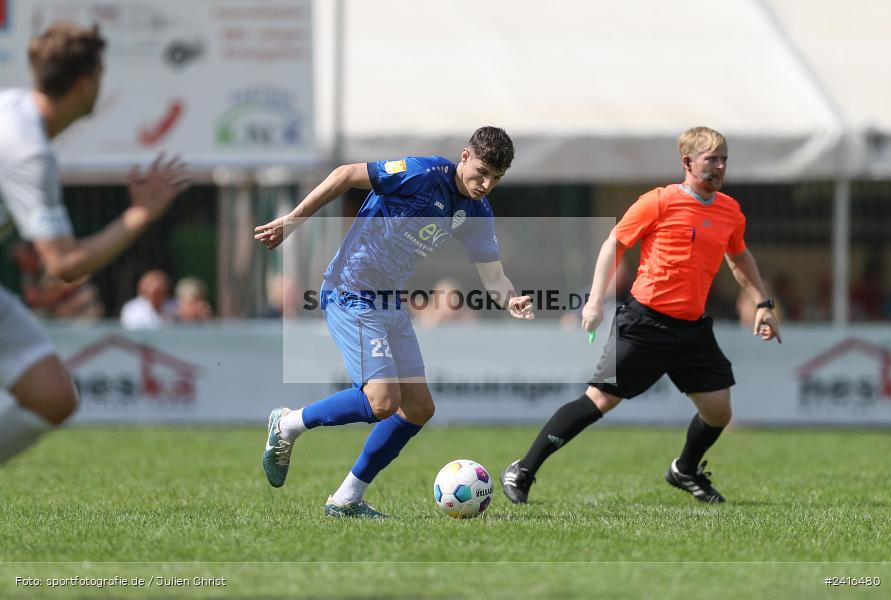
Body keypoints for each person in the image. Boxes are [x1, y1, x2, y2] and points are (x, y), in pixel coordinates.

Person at [254, 126, 533, 518]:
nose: (485, 184)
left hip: (389, 301)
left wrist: (511, 299)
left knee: (418, 408)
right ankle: (288, 424)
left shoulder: (476, 212)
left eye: (496, 179)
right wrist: (294, 219)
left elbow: (494, 278)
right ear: (465, 156)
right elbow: (345, 174)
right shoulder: (421, 173)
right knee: (382, 401)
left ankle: (346, 499)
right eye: (482, 172)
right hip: (350, 290)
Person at [502, 126, 781, 505]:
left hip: (692, 331)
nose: (719, 166)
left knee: (718, 411)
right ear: (687, 162)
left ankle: (684, 469)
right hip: (644, 324)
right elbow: (614, 243)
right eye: (711, 159)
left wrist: (763, 304)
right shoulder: (659, 201)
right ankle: (524, 469)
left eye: (724, 159)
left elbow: (739, 256)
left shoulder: (729, 210)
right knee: (599, 401)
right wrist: (595, 301)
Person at [0, 22, 189, 464]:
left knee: (52, 395)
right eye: (101, 75)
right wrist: (140, 215)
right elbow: (65, 262)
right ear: (85, 84)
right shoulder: (28, 150)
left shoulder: (12, 111)